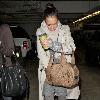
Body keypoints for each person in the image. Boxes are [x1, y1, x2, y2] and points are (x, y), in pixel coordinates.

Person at [36, 3, 80, 100]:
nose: (52, 27)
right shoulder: (40, 32)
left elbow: (72, 48)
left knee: (62, 96)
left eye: (54, 24)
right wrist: (50, 68)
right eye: (49, 25)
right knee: (47, 96)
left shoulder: (65, 29)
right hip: (48, 72)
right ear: (44, 21)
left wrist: (53, 45)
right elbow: (41, 53)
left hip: (63, 70)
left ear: (58, 20)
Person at [0, 24, 15, 100]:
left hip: (4, 69)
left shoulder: (4, 28)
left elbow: (10, 51)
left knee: (6, 93)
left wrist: (1, 48)